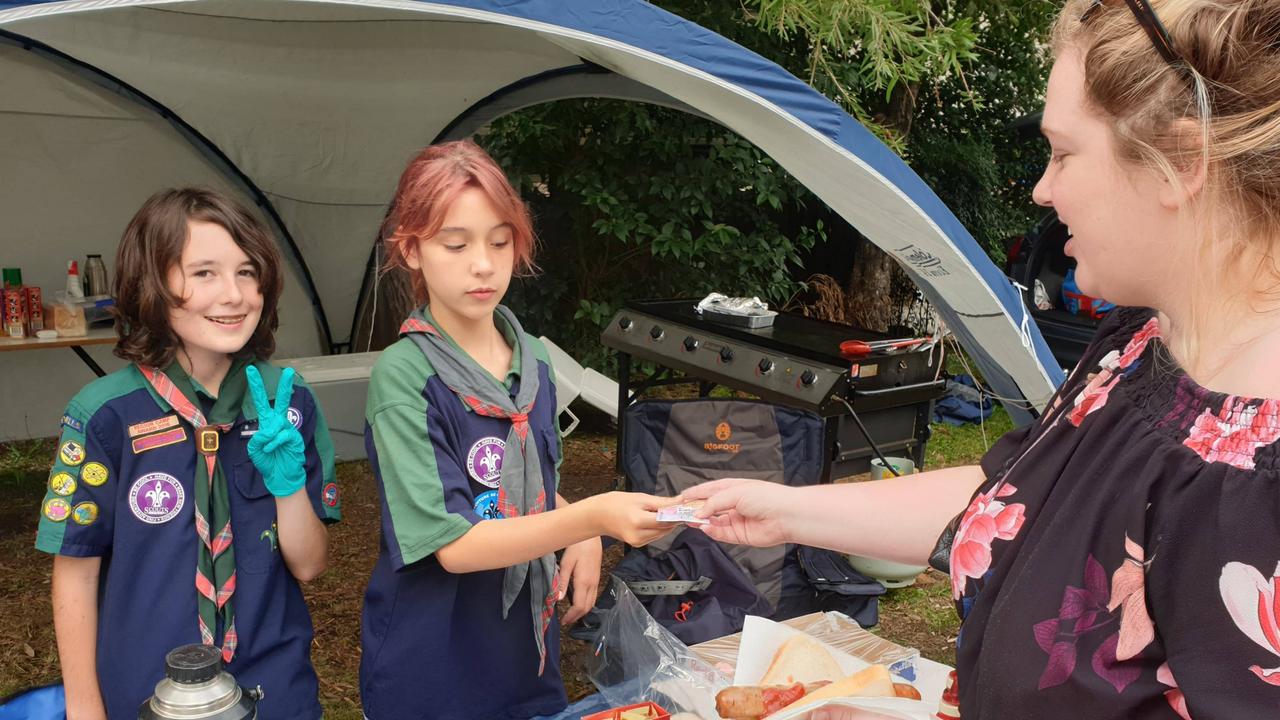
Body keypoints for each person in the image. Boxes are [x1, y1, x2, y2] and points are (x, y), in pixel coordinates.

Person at [685, 1, 1280, 717]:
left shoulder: (1259, 493)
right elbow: (1016, 503)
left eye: (1062, 153)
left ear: (1179, 164)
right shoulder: (1137, 344)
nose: (1041, 189)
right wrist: (784, 511)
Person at [359, 140, 677, 720]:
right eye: (456, 244)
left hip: (526, 649)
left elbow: (519, 487)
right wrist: (593, 518)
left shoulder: (532, 360)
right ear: (411, 249)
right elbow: (454, 544)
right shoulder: (406, 377)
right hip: (434, 660)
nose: (483, 263)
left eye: (500, 241)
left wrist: (574, 526)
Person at [34, 188, 340, 720]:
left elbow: (310, 566)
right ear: (151, 284)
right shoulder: (106, 416)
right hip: (143, 689)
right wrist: (85, 707)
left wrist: (289, 488)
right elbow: (76, 570)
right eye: (203, 273)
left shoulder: (284, 402)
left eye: (247, 272)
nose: (234, 295)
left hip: (272, 687)